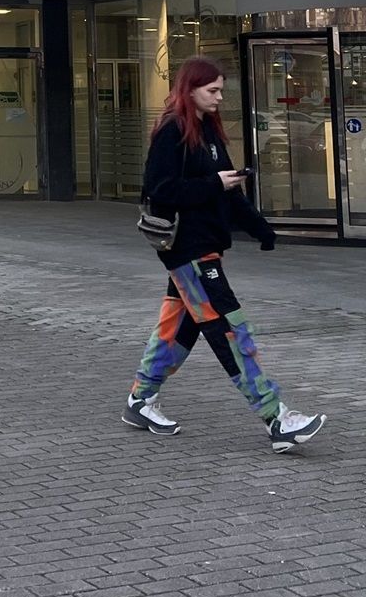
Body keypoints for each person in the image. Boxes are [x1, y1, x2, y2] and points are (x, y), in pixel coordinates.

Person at [122, 56, 326, 454]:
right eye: (212, 90)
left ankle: (139, 401)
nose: (218, 98)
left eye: (220, 90)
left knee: (176, 329)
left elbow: (228, 189)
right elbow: (160, 190)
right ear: (190, 88)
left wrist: (261, 229)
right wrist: (212, 183)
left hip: (204, 247)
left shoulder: (208, 131)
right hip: (188, 248)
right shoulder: (173, 130)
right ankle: (277, 418)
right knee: (231, 331)